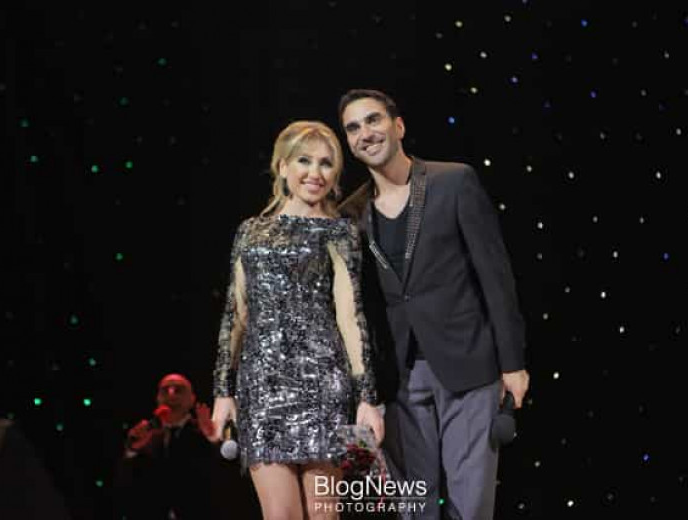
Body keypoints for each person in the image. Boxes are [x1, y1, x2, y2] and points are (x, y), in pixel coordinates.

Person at [338, 89, 531, 519]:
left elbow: (495, 277)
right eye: (353, 128)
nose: (365, 133)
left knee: (470, 504)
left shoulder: (453, 181)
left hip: (468, 364)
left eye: (373, 120)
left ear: (398, 126)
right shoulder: (351, 214)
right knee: (413, 507)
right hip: (400, 378)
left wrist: (513, 364)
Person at [210, 120, 385, 519]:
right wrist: (222, 390)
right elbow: (236, 314)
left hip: (324, 384)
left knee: (324, 515)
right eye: (304, 161)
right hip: (263, 388)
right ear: (282, 166)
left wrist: (367, 397)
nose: (315, 173)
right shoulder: (250, 232)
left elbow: (350, 316)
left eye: (326, 163)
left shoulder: (339, 232)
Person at [115, 373, 218, 520]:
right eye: (165, 390)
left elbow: (224, 476)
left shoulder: (205, 431)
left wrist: (212, 439)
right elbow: (123, 486)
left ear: (192, 399)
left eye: (179, 390)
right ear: (158, 398)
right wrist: (132, 450)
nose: (171, 394)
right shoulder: (146, 435)